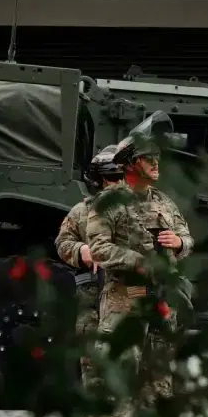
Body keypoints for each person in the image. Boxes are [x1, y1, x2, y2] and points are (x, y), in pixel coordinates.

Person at [87, 121, 194, 414]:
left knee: (159, 377)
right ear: (132, 164)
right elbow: (98, 249)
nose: (156, 162)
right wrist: (138, 262)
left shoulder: (165, 203)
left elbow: (187, 237)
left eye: (157, 157)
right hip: (125, 296)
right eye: (149, 158)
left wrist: (179, 243)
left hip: (161, 300)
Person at [56, 144, 124, 394]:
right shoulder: (81, 212)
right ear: (98, 180)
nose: (117, 183)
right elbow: (62, 243)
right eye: (111, 177)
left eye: (121, 177)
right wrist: (81, 251)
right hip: (92, 299)